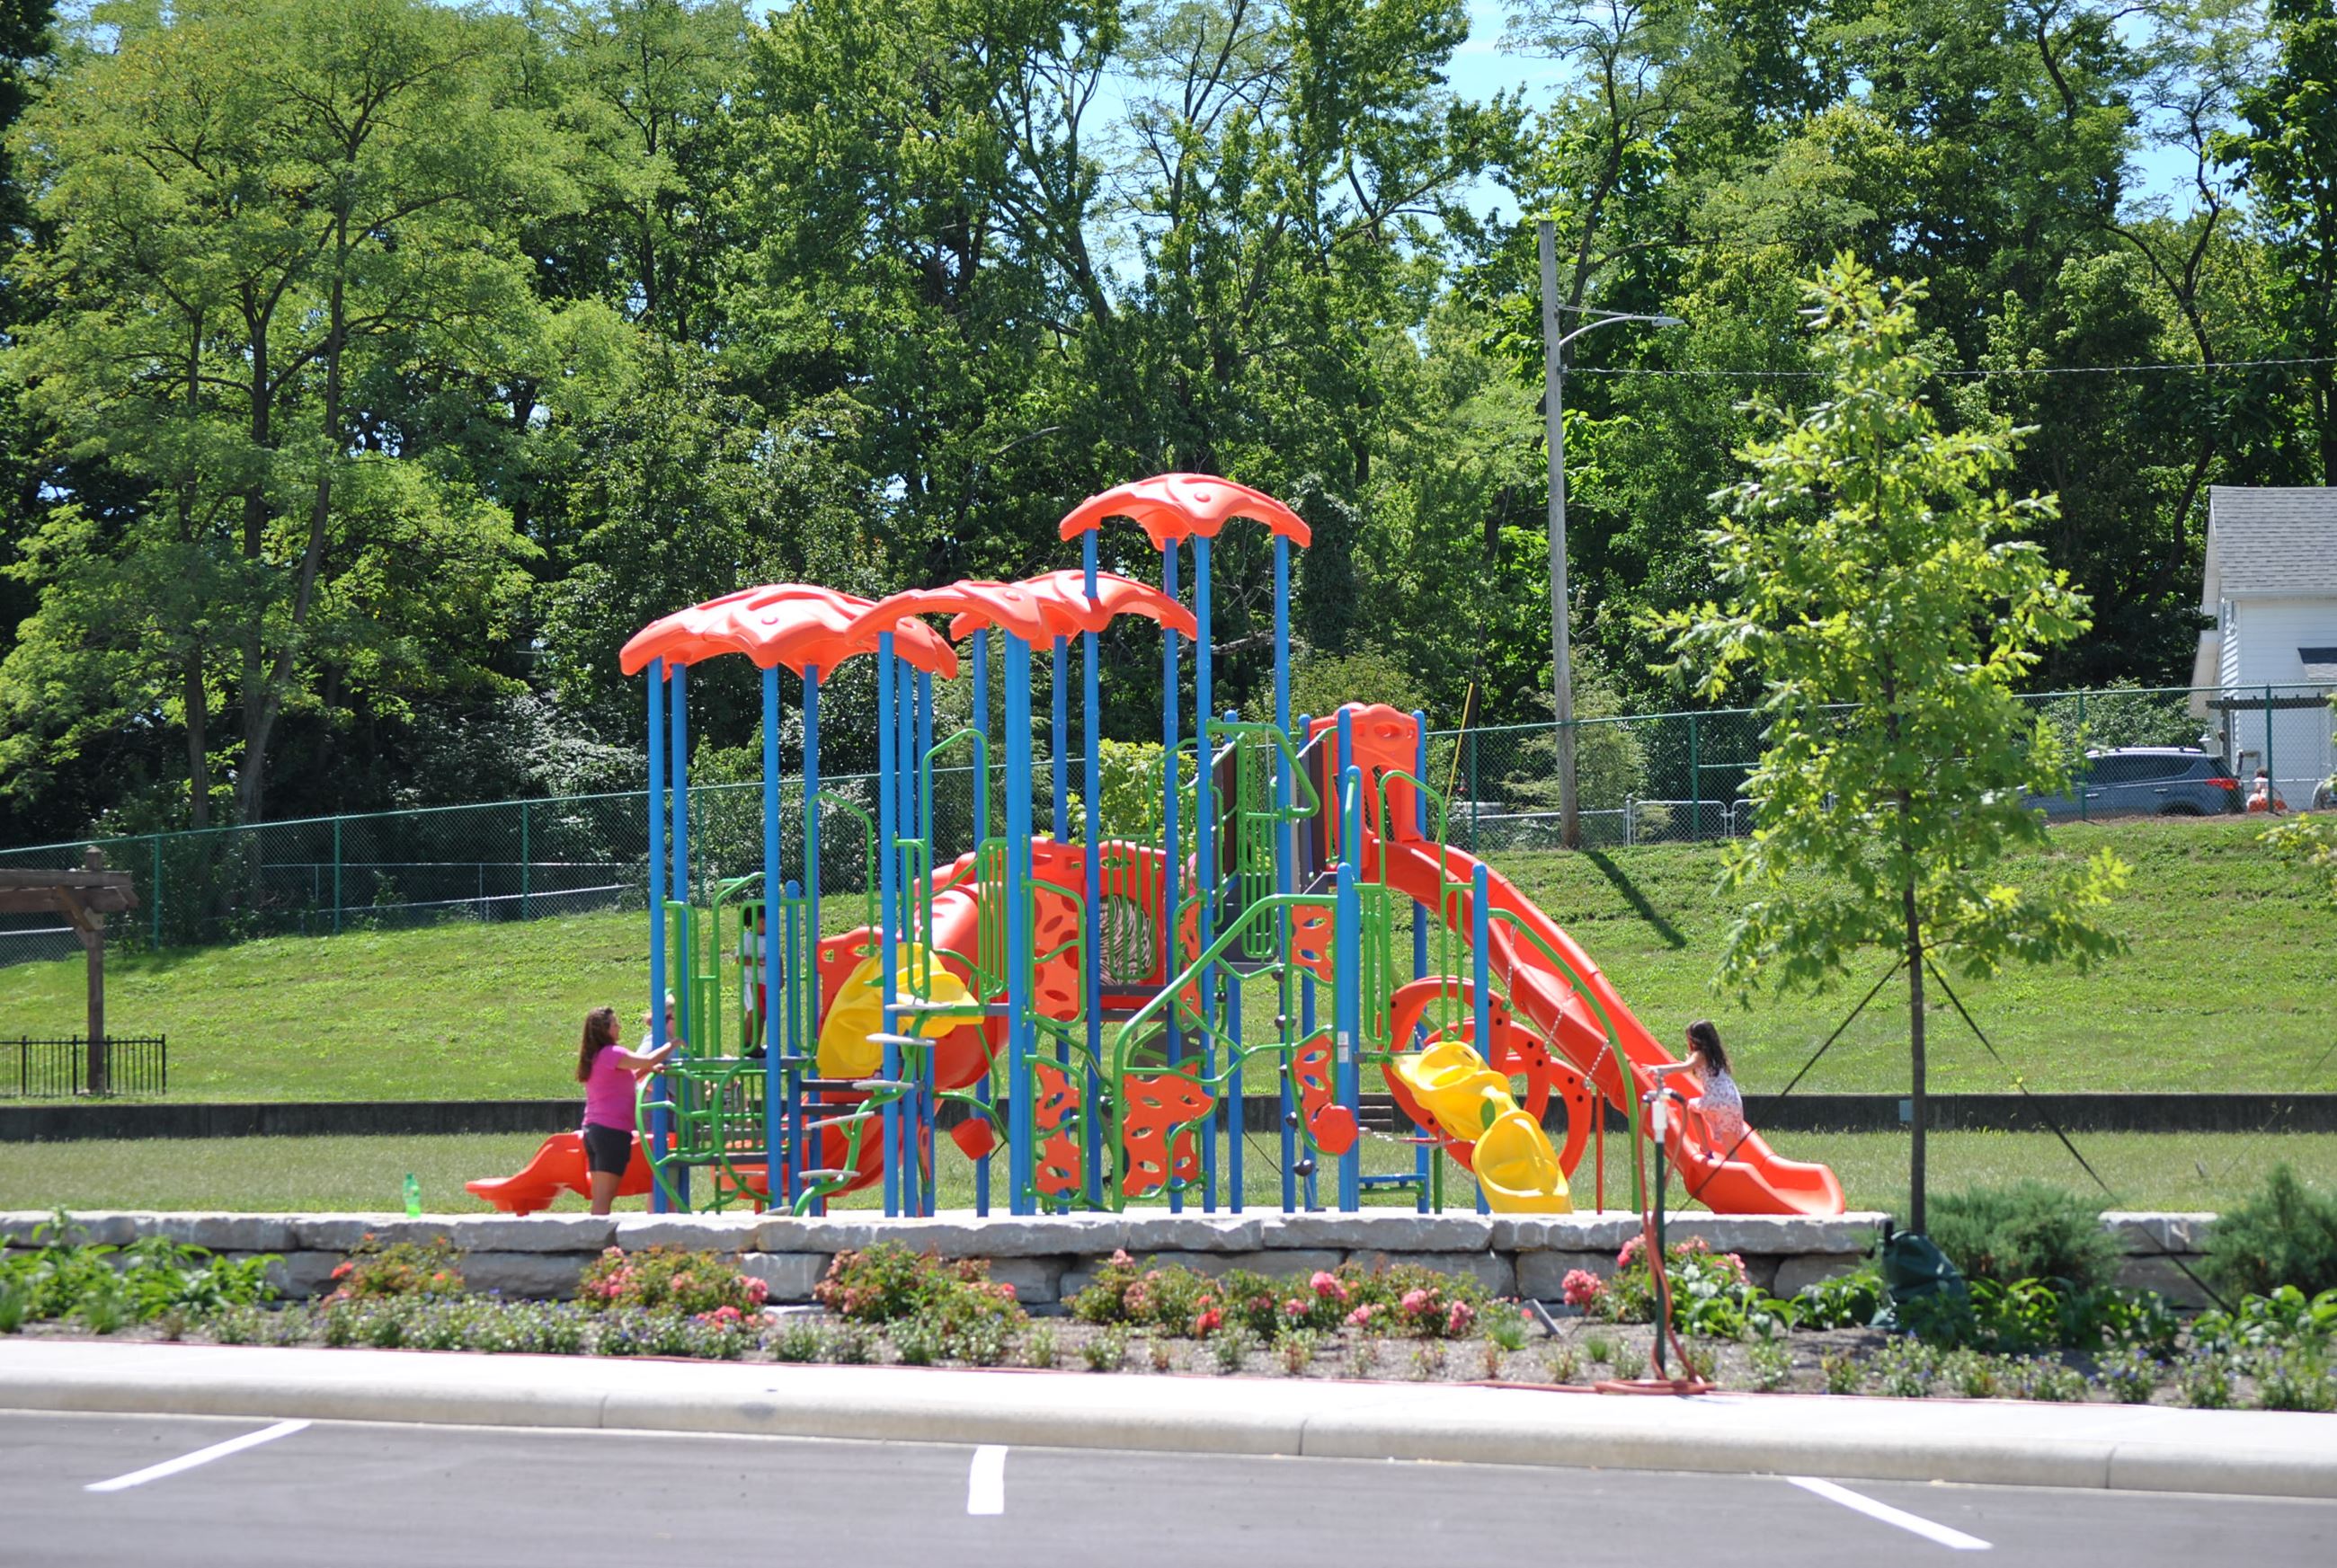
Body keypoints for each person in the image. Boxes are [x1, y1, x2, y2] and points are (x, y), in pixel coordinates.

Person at [576, 1003, 676, 1215]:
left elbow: (629, 1079)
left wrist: (650, 1069)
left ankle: (598, 1239)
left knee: (602, 1196)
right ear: (604, 1029)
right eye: (614, 1024)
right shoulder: (612, 1053)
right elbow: (648, 1058)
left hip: (595, 1131)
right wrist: (673, 1044)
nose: (619, 1027)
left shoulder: (596, 1056)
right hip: (611, 1131)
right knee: (605, 1197)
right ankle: (601, 1242)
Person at [1682, 1019, 1746, 1160]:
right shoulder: (1717, 1056)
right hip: (1733, 1101)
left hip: (1716, 1100)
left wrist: (1660, 1069)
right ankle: (1740, 1178)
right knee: (1730, 1150)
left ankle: (1705, 1148)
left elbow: (1685, 1068)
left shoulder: (1699, 1054)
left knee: (1690, 1107)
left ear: (1696, 1040)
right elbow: (1696, 1069)